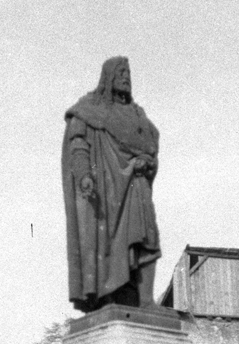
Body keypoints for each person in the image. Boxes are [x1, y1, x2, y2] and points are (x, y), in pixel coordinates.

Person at [63, 56, 161, 312]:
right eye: (120, 72)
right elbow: (78, 146)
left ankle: (146, 300)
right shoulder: (89, 110)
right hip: (105, 188)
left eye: (128, 72)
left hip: (136, 184)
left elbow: (151, 145)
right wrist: (85, 175)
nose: (126, 77)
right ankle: (106, 296)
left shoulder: (139, 115)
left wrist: (147, 162)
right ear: (108, 77)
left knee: (148, 236)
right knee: (106, 241)